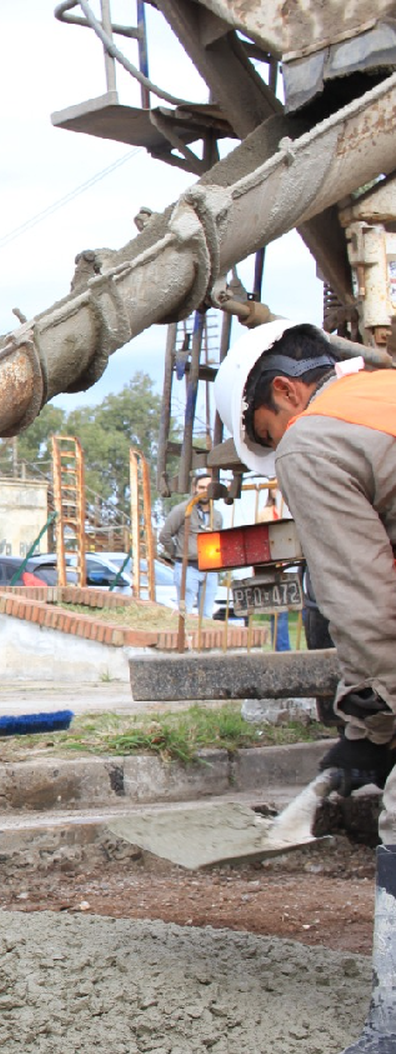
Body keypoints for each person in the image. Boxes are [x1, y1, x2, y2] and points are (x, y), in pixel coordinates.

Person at [212, 319, 396, 833]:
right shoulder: (385, 391)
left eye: (269, 434)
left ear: (285, 390)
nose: (280, 451)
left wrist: (370, 727)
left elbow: (362, 597)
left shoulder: (312, 439)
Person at [158, 473, 223, 616]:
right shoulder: (183, 510)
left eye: (209, 488)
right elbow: (165, 535)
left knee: (206, 615)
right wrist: (178, 553)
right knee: (184, 613)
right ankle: (184, 638)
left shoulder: (216, 516)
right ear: (195, 488)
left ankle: (201, 639)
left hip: (210, 570)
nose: (205, 491)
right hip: (188, 568)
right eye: (201, 487)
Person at [255, 489, 292, 652]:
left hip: (291, 565)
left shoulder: (293, 510)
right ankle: (282, 648)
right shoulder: (264, 513)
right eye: (274, 486)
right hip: (272, 567)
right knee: (278, 610)